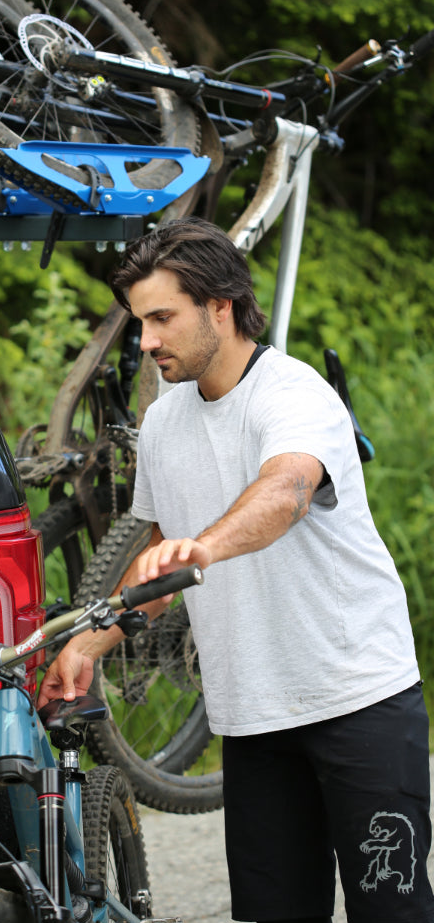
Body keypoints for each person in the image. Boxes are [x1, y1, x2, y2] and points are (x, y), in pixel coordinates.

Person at [37, 217, 434, 923]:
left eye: (162, 317)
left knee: (392, 911)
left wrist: (207, 546)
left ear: (220, 306)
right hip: (252, 718)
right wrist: (89, 643)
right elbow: (160, 558)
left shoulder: (294, 394)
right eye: (139, 322)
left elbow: (287, 490)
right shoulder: (162, 422)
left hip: (357, 701)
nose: (147, 340)